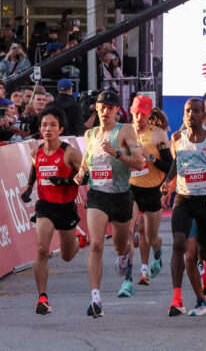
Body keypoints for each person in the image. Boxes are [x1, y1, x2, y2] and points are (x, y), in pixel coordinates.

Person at [79, 90, 146, 318]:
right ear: (96, 108)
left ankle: (125, 257)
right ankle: (96, 298)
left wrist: (116, 153)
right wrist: (80, 173)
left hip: (121, 195)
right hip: (97, 195)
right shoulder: (90, 134)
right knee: (96, 244)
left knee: (120, 246)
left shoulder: (125, 130)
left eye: (110, 107)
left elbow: (138, 163)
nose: (105, 111)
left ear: (118, 110)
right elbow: (87, 160)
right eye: (102, 106)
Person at [20, 107, 85, 315]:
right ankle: (42, 298)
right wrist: (29, 188)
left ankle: (79, 240)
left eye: (53, 125)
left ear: (61, 129)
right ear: (40, 128)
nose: (48, 129)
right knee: (41, 250)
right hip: (45, 206)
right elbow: (34, 168)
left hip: (66, 207)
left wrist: (66, 180)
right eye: (45, 125)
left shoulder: (69, 152)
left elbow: (87, 175)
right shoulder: (36, 151)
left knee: (66, 256)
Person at [162, 99, 206, 317]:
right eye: (187, 111)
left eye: (196, 111)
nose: (190, 115)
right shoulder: (177, 138)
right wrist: (168, 186)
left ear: (203, 116)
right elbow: (175, 165)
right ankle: (180, 299)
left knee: (205, 252)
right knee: (181, 246)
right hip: (184, 200)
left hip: (205, 201)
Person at [128, 97, 172, 291]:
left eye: (143, 114)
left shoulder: (158, 135)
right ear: (131, 111)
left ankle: (157, 248)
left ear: (148, 114)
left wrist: (150, 156)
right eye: (137, 113)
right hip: (130, 187)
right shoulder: (123, 132)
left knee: (150, 234)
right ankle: (139, 272)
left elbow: (170, 166)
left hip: (152, 188)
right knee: (134, 228)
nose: (139, 117)